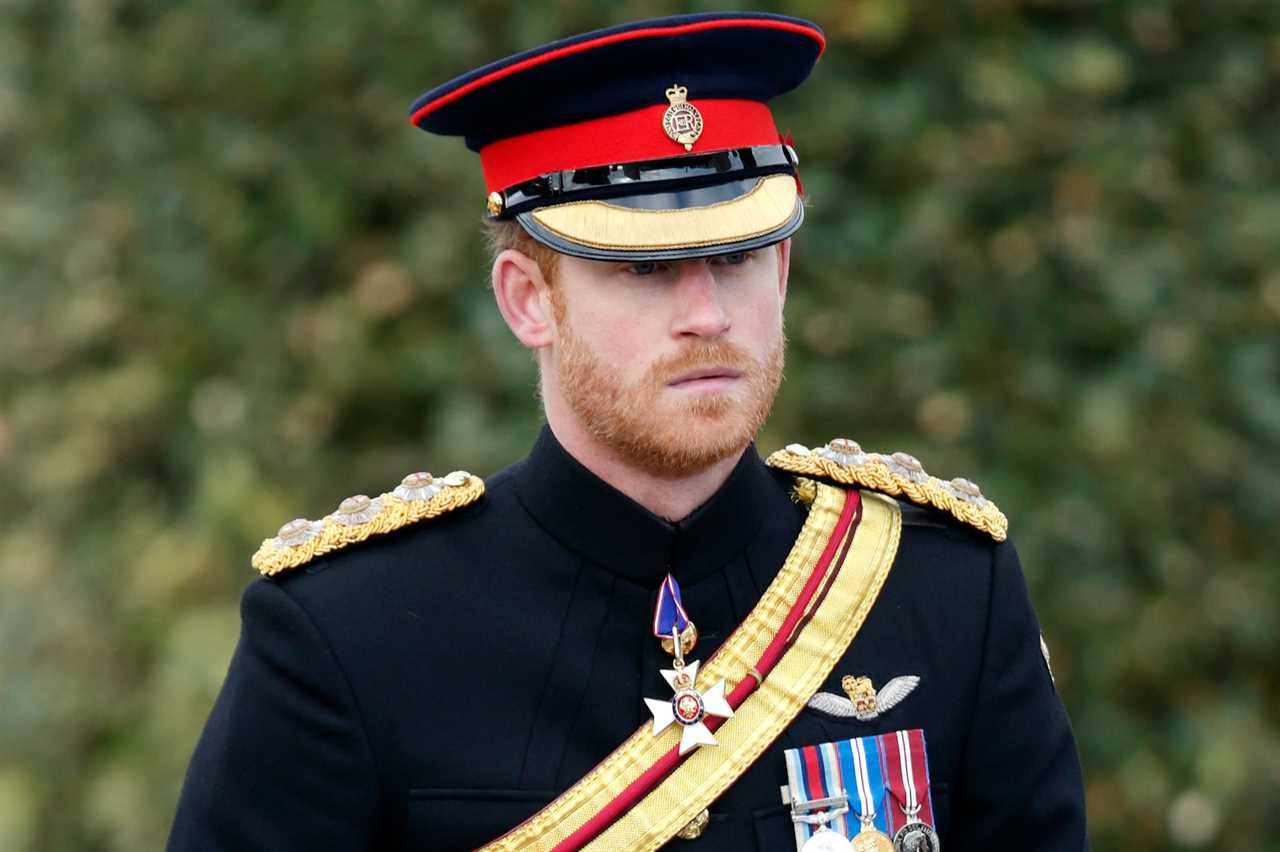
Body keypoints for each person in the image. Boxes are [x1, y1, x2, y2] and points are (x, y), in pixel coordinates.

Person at [167, 12, 1087, 851]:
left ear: (785, 267)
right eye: (644, 269)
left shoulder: (946, 592)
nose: (707, 314)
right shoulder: (349, 634)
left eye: (736, 257)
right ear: (529, 300)